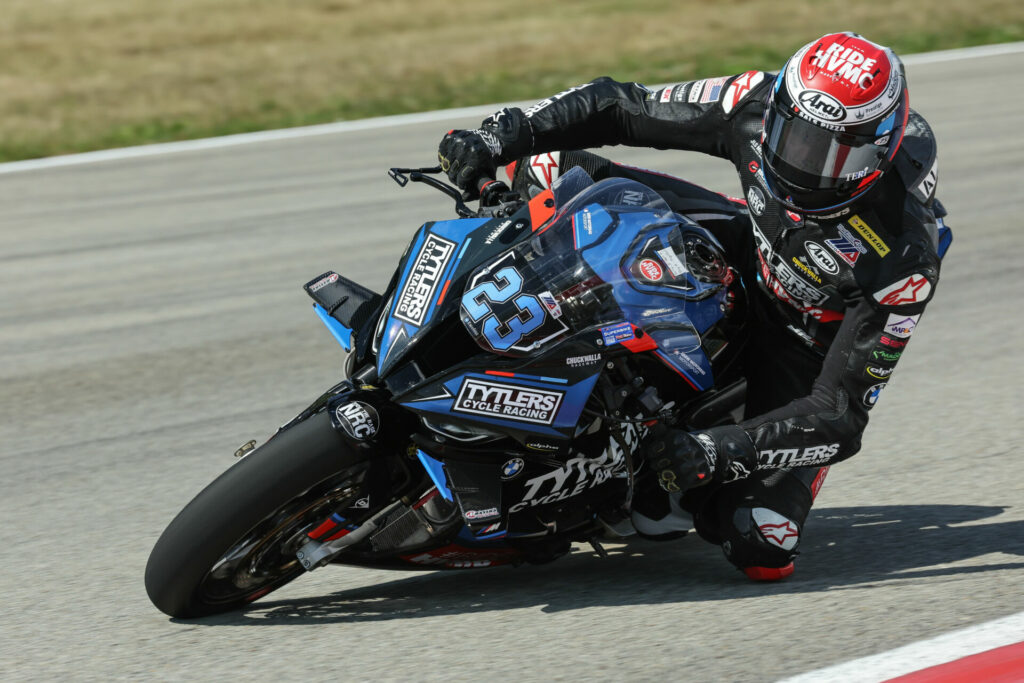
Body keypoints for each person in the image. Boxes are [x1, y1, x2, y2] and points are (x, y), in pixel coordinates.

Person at [437, 32, 950, 580]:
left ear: (878, 151)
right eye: (792, 137)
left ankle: (641, 465)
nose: (802, 164)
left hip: (802, 343)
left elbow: (841, 415)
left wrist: (720, 450)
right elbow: (621, 105)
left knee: (762, 541)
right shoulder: (751, 99)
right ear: (778, 109)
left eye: (831, 154)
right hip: (740, 244)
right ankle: (467, 320)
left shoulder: (903, 258)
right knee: (544, 167)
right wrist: (501, 134)